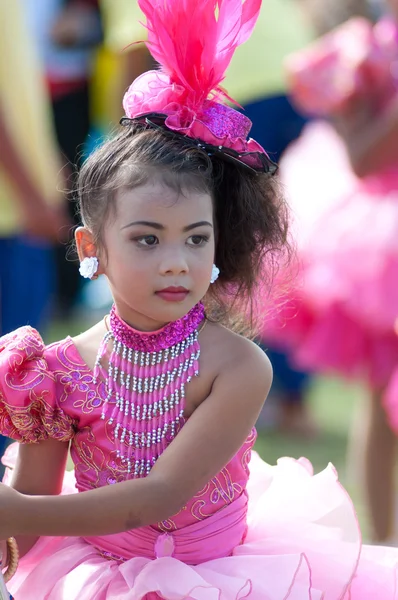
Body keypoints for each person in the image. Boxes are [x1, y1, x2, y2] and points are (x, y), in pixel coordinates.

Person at [2, 0, 398, 598]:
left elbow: (157, 497)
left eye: (196, 238)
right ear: (93, 246)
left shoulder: (237, 366)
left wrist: (16, 512)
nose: (175, 261)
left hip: (224, 581)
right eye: (146, 239)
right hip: (92, 579)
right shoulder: (50, 370)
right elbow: (24, 521)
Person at [262, 0, 398, 543]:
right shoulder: (363, 55)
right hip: (378, 240)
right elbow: (363, 159)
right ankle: (385, 544)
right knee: (380, 391)